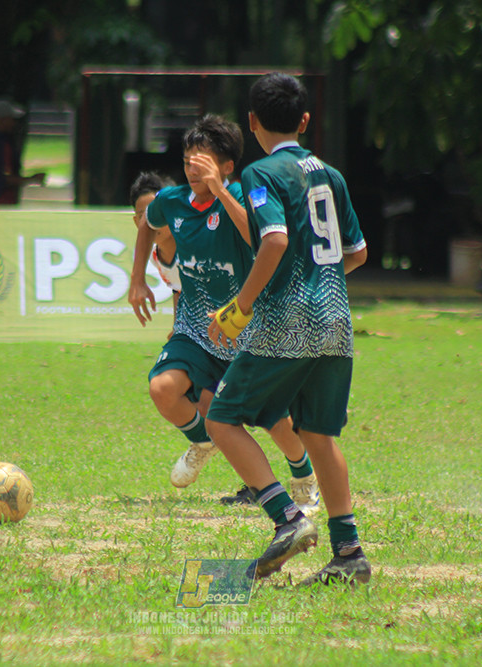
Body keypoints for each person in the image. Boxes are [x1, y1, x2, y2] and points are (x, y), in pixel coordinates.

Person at [205, 73, 370, 585]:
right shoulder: (331, 175)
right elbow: (358, 253)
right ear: (304, 120)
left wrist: (240, 306)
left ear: (252, 122)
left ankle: (288, 519)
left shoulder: (261, 172)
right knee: (319, 435)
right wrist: (319, 284)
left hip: (287, 319)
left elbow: (273, 240)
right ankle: (348, 554)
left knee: (223, 418)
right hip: (336, 318)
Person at [127, 115, 319, 512]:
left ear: (228, 166)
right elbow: (148, 224)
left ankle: (303, 476)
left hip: (246, 329)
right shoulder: (173, 202)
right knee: (162, 388)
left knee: (272, 419)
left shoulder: (246, 198)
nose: (192, 170)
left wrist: (219, 190)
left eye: (203, 162)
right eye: (187, 162)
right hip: (196, 330)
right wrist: (137, 281)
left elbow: (261, 238)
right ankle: (204, 440)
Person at [129, 171, 179, 335]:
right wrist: (177, 327)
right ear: (137, 222)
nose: (152, 222)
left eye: (157, 213)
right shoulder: (152, 255)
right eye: (143, 216)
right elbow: (178, 287)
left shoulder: (192, 245)